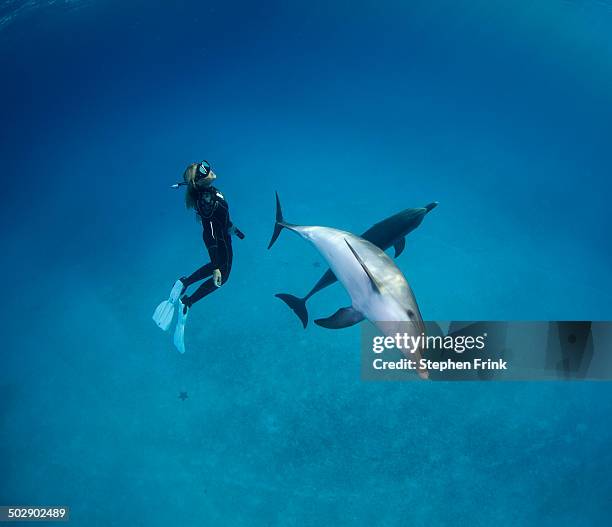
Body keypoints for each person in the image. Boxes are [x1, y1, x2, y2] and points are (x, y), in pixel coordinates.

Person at [152, 160, 244, 353]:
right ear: (200, 181)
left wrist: (232, 228)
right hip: (220, 241)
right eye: (204, 170)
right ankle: (187, 302)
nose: (209, 169)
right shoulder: (207, 201)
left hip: (224, 235)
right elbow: (208, 233)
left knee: (217, 265)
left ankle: (184, 283)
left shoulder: (208, 194)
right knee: (222, 276)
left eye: (206, 165)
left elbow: (221, 218)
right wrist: (217, 266)